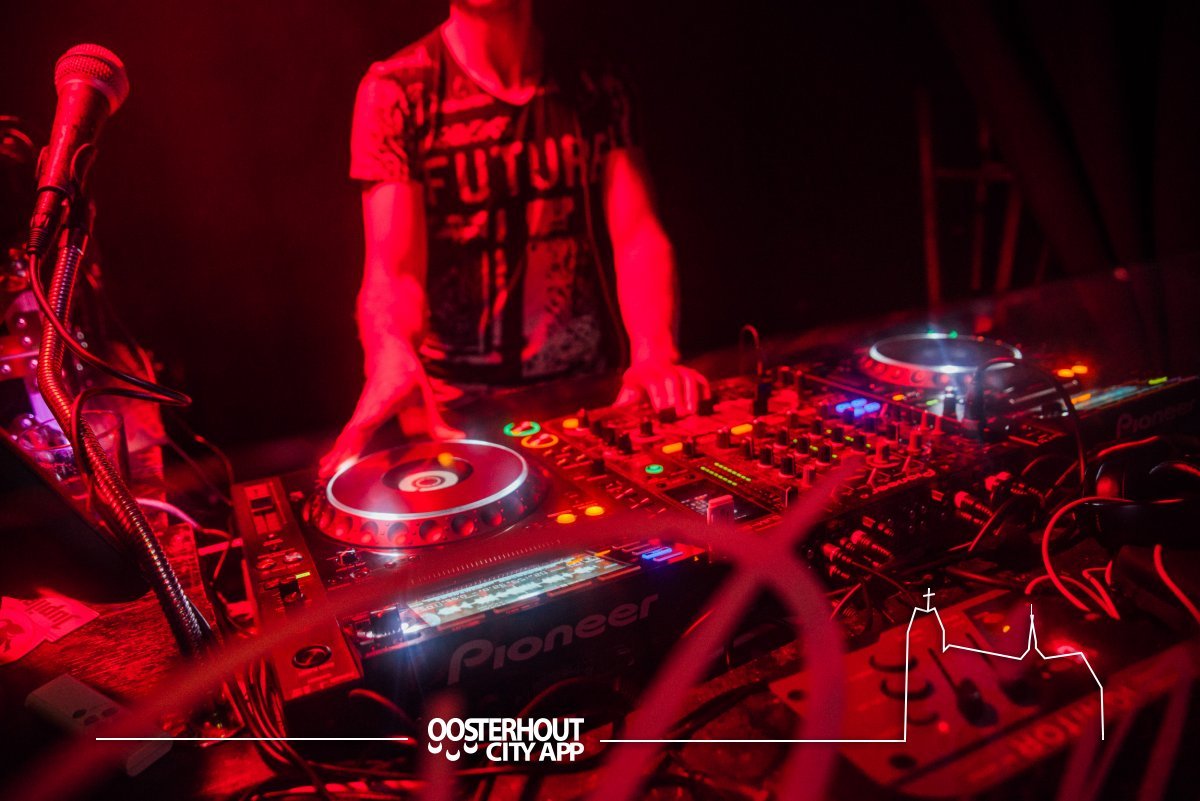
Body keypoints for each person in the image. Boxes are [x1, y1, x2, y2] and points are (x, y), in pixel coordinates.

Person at [321, 0, 707, 477]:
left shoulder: (596, 81)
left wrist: (655, 355)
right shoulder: (396, 88)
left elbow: (637, 234)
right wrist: (388, 350)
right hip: (455, 419)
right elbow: (393, 274)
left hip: (587, 400)